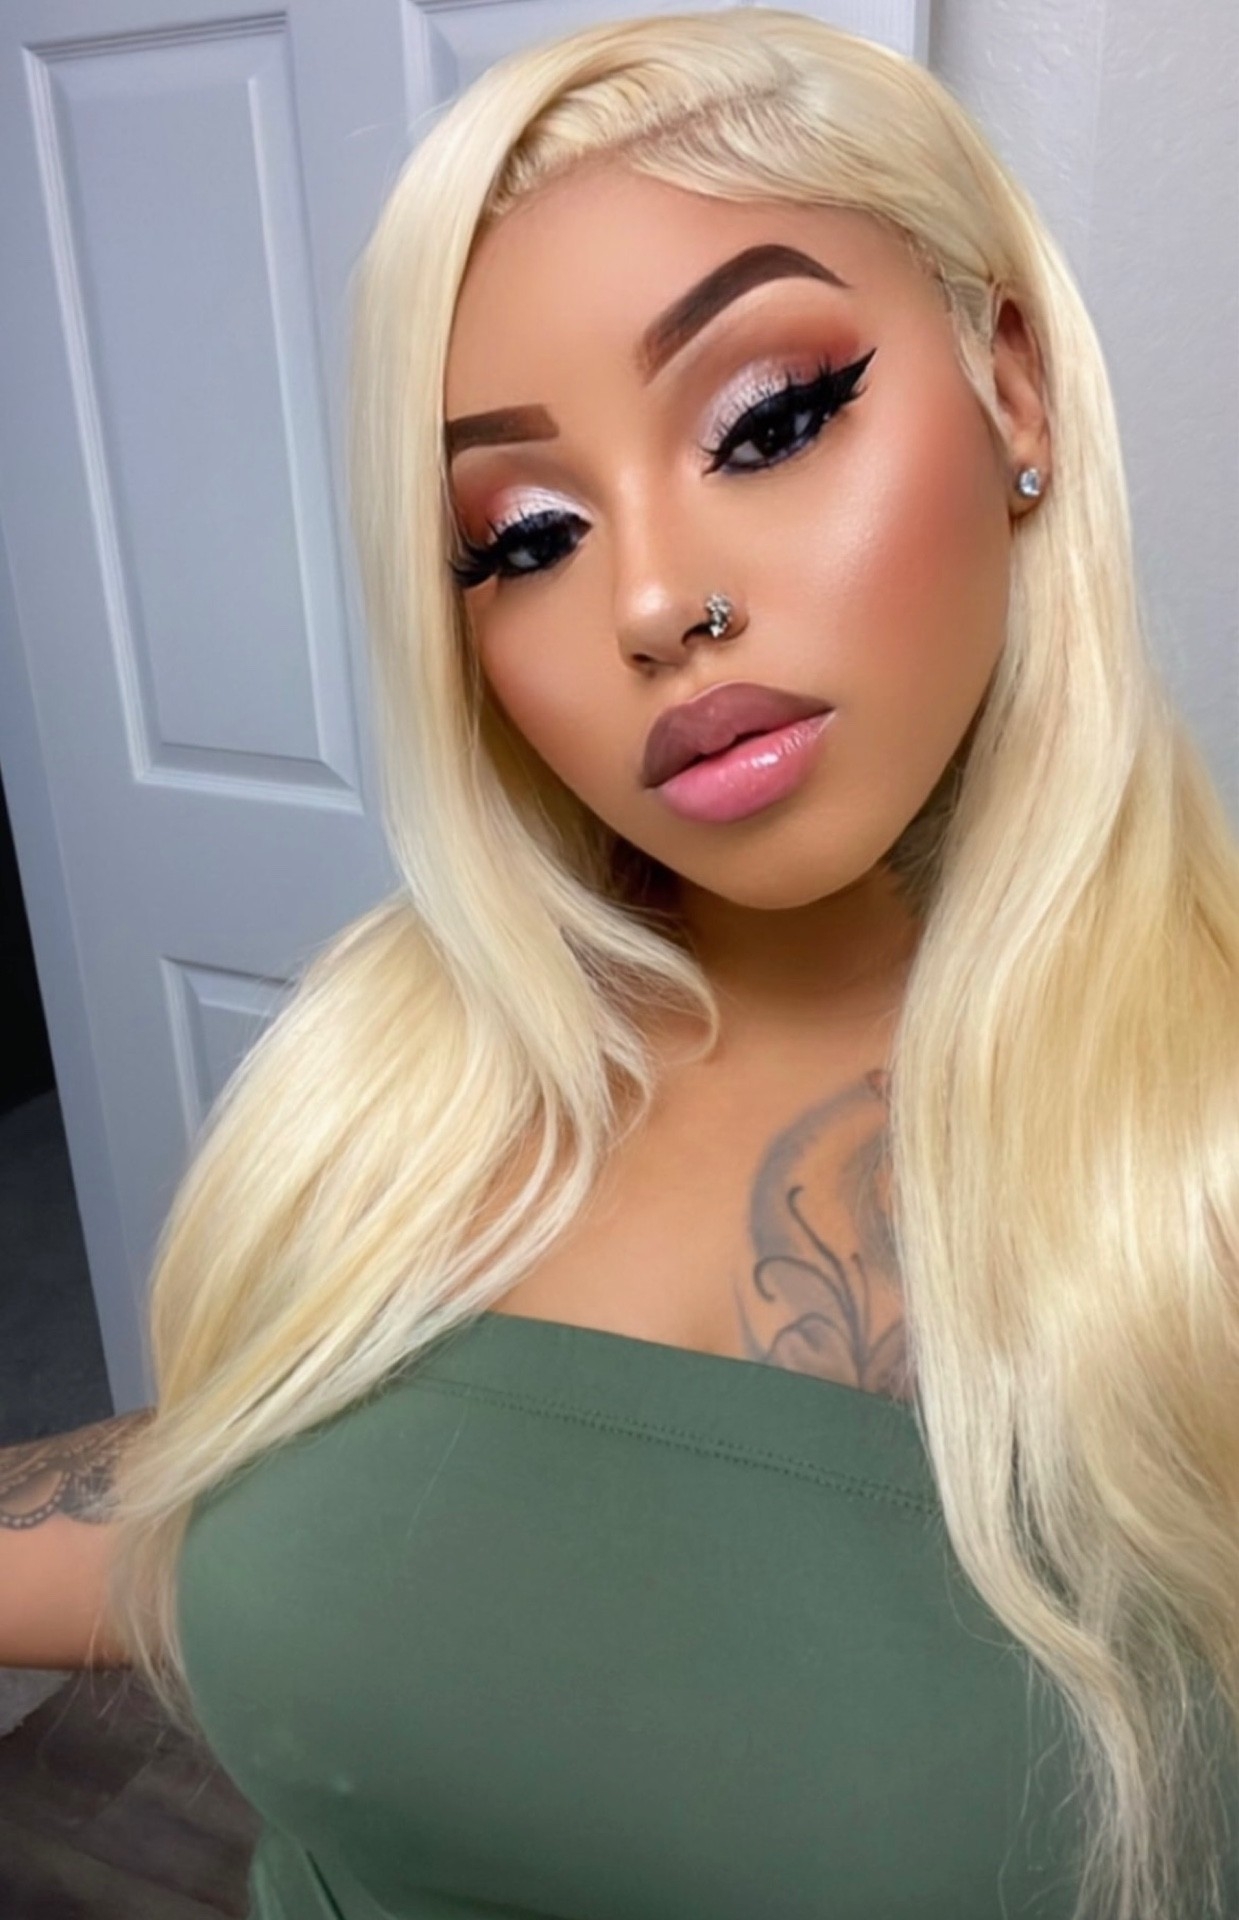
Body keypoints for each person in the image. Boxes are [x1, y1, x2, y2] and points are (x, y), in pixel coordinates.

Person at [3, 9, 1237, 1917]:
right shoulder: (403, 1067)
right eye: (526, 536)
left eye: (770, 421)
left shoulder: (1200, 1160)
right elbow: (268, 1508)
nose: (653, 600)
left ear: (1013, 387)